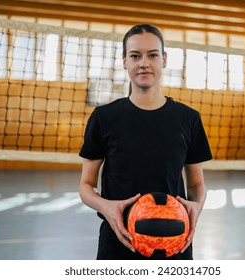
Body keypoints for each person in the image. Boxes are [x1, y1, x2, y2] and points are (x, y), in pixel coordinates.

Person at [79, 24, 212, 260]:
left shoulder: (189, 118)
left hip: (174, 240)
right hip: (119, 240)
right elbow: (86, 186)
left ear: (164, 59)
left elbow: (196, 185)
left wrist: (197, 206)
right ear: (124, 61)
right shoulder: (103, 117)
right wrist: (106, 207)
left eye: (152, 55)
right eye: (135, 56)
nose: (144, 63)